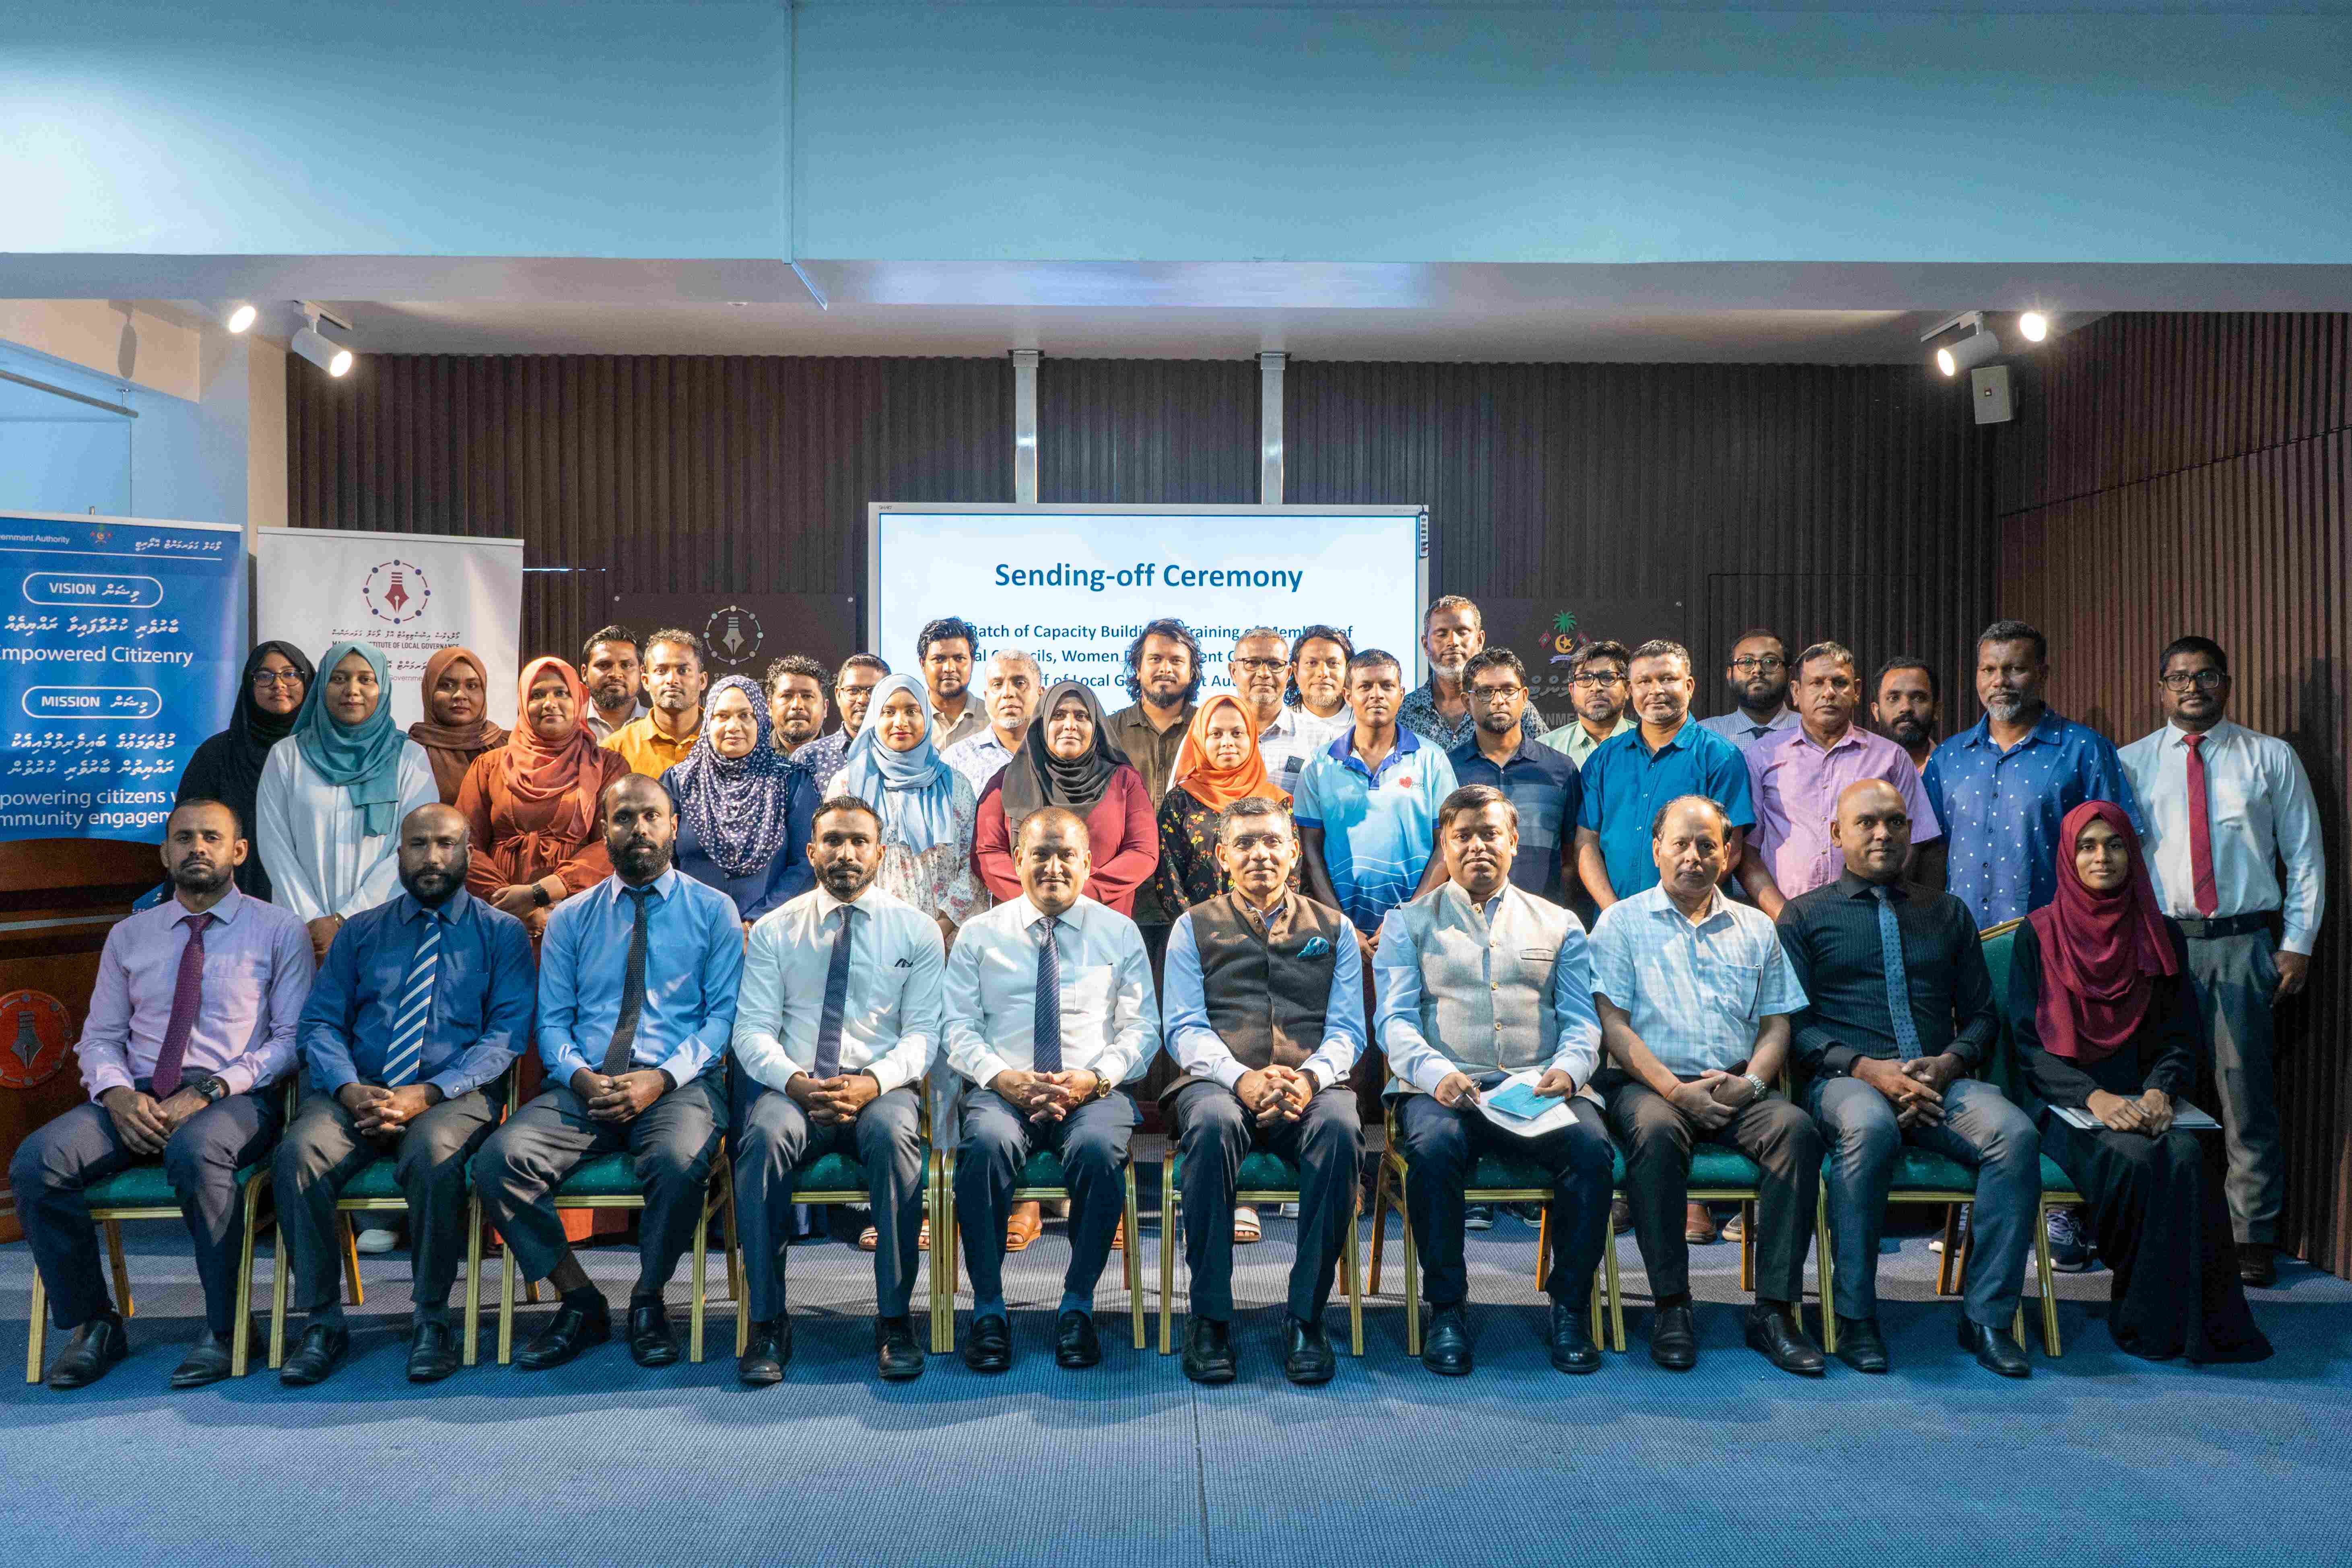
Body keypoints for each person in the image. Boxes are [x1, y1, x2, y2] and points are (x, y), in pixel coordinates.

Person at [13, 799, 311, 1390]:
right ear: (165, 853)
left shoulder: (280, 929)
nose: (197, 847)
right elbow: (101, 1037)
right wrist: (117, 1094)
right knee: (37, 1162)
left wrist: (210, 1089)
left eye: (212, 837)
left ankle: (228, 1327)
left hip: (234, 1095)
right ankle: (95, 1324)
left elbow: (291, 1041)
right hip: (137, 1094)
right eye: (184, 838)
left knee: (196, 1152)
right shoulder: (129, 935)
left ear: (238, 852)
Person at [469, 775, 741, 1371]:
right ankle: (579, 1299)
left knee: (679, 1162)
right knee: (498, 1161)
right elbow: (552, 1022)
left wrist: (660, 1079)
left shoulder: (713, 910)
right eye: (624, 818)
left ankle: (649, 1298)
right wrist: (580, 1077)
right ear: (604, 830)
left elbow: (722, 1019)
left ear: (673, 826)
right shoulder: (571, 917)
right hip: (585, 1086)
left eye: (651, 817)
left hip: (678, 1086)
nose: (638, 828)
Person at [1777, 780, 2037, 1378]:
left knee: (2014, 1135)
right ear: (1836, 833)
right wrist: (1867, 1070)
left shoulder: (1946, 912)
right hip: (1846, 1081)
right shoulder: (1805, 915)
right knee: (1869, 1126)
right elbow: (1793, 1026)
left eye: (1895, 822)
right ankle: (1854, 1316)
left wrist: (1947, 1064)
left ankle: (1988, 1318)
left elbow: (1981, 1016)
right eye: (1866, 823)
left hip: (1941, 1079)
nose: (1883, 834)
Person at [273, 804, 534, 1386]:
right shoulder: (361, 932)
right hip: (357, 1091)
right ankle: (321, 1322)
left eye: (445, 844)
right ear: (399, 855)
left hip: (453, 1094)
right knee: (298, 1154)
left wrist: (430, 1092)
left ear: (468, 853)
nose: (432, 857)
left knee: (433, 1154)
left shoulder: (501, 934)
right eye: (419, 845)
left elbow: (505, 1035)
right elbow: (319, 1023)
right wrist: (348, 1087)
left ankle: (432, 1318)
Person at [2004, 802, 2272, 1364]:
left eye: (2114, 845)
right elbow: (2027, 1047)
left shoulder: (2160, 932)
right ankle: (2144, 1319)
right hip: (2063, 1102)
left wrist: (2158, 1091)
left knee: (2186, 1157)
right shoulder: (2039, 933)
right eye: (2087, 846)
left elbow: (2179, 1035)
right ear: (2068, 856)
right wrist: (2094, 1098)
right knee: (2135, 1161)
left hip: (2144, 1097)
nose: (2101, 857)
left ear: (2132, 853)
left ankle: (2193, 1324)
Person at [1376, 785, 1615, 1378]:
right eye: (1463, 836)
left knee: (1591, 1148)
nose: (1477, 846)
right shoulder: (1408, 923)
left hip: (1539, 1087)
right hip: (1445, 1089)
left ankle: (1570, 1306)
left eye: (1490, 834)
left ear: (1513, 842)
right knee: (1433, 1149)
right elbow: (1394, 1022)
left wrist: (1570, 1069)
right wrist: (1435, 1073)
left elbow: (1582, 1021)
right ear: (1445, 846)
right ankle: (1447, 1308)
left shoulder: (1560, 923)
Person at [1588, 795, 1824, 1374]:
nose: (1692, 856)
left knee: (1796, 1131)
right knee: (1655, 1133)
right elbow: (1613, 1025)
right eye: (1680, 844)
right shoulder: (1621, 922)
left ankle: (1774, 1311)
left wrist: (1753, 1083)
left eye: (1706, 845)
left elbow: (1776, 1024)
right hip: (1649, 1086)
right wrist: (1674, 1091)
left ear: (1727, 853)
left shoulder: (1755, 927)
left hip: (1736, 1086)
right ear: (1657, 851)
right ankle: (1672, 1304)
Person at [2118, 635, 2325, 1287]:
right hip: (2159, 944)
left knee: (2244, 1092)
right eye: (2179, 677)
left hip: (2242, 942)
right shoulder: (2129, 763)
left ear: (2226, 684)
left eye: (2206, 675)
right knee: (2152, 1087)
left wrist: (2298, 943)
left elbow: (2306, 856)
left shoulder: (2270, 757)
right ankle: (2155, 1227)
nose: (2192, 688)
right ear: (2160, 688)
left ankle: (2250, 1235)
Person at [730, 795, 945, 1385]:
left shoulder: (916, 930)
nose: (845, 853)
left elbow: (924, 1034)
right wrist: (797, 1083)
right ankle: (768, 1321)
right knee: (762, 1140)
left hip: (880, 1088)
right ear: (811, 851)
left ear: (880, 853)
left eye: (858, 842)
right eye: (833, 841)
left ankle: (895, 1319)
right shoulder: (775, 930)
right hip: (796, 1088)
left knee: (897, 1139)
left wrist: (873, 1082)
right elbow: (751, 1031)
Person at [944, 806, 1159, 1374]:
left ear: (1088, 863)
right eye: (1040, 854)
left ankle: (1078, 1304)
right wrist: (1001, 1077)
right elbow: (957, 1027)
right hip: (1003, 1088)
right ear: (1018, 860)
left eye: (1067, 855)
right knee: (984, 1146)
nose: (1053, 866)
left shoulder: (1119, 932)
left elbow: (1142, 1029)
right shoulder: (980, 934)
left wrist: (1096, 1077)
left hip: (1092, 1090)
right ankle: (988, 1308)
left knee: (1097, 1150)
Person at [1161, 796, 1363, 1386]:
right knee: (1212, 1124)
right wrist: (1241, 1078)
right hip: (1219, 1084)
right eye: (1245, 843)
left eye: (1272, 841)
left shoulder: (1334, 928)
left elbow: (1349, 1030)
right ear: (1222, 856)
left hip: (1311, 1083)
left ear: (1294, 852)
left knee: (1341, 1128)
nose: (1260, 854)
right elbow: (1183, 1026)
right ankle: (1210, 1317)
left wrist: (1309, 1078)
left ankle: (1307, 1315)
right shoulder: (1191, 926)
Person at [1923, 619, 2144, 933]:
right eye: (1988, 670)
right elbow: (1929, 853)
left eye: (2014, 669)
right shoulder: (1947, 757)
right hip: (1962, 938)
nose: (1999, 682)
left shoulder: (2086, 750)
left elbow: (2118, 851)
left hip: (2055, 938)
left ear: (2042, 674)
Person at [255, 640, 439, 963]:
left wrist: (347, 920)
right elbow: (275, 846)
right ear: (322, 687)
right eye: (339, 678)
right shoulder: (287, 755)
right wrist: (313, 922)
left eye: (365, 679)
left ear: (382, 689)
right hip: (302, 934)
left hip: (386, 926)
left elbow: (416, 846)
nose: (352, 690)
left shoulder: (410, 758)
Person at [1738, 641, 1941, 913]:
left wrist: (1879, 904)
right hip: (1782, 918)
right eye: (1816, 683)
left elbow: (1912, 843)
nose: (1829, 693)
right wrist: (1783, 916)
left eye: (1839, 683)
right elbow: (1747, 851)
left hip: (1870, 916)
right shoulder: (1762, 755)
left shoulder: (1891, 758)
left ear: (1856, 691)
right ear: (1796, 692)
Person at [456, 657, 633, 946]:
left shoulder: (608, 766)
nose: (550, 703)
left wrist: (544, 892)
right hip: (497, 916)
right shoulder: (489, 766)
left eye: (561, 693)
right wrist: (510, 903)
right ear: (522, 703)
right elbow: (464, 842)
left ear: (578, 700)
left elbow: (615, 842)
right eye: (537, 695)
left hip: (581, 910)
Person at [1574, 639, 1755, 910]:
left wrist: (1675, 911)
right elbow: (1586, 843)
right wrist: (1614, 912)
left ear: (1689, 686)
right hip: (1614, 920)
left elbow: (1732, 849)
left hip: (1690, 920)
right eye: (1644, 681)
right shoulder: (1604, 758)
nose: (1656, 690)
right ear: (1630, 690)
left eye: (1668, 679)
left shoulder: (1720, 757)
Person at [1295, 649, 1458, 946]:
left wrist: (1408, 917)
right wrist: (1341, 926)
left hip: (1416, 931)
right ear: (1348, 696)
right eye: (1365, 686)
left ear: (1401, 695)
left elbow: (1446, 848)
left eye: (1387, 686)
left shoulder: (1432, 759)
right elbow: (1311, 854)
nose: (1376, 695)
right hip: (1340, 934)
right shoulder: (1318, 764)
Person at [975, 680, 1158, 919]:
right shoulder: (1006, 782)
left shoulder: (1124, 781)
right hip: (1023, 924)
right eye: (1059, 715)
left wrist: (1079, 895)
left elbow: (1143, 851)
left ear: (1096, 726)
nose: (1070, 725)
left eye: (1082, 716)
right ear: (1042, 723)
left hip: (1103, 921)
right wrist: (1037, 897)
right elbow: (987, 853)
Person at [834, 671, 985, 942]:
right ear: (875, 718)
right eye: (888, 712)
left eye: (912, 711)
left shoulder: (955, 784)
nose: (900, 722)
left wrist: (941, 926)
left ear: (926, 718)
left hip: (944, 939)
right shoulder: (848, 785)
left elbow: (972, 861)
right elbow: (836, 860)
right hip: (869, 934)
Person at [660, 674, 819, 927]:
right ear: (708, 722)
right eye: (722, 716)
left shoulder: (791, 781)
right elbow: (662, 860)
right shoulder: (679, 782)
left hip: (770, 932)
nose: (733, 726)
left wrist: (757, 922)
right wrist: (692, 919)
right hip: (689, 927)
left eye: (745, 716)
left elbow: (804, 864)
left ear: (761, 722)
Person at [176, 641, 314, 901]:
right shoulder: (217, 754)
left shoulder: (329, 752)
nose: (278, 684)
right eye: (264, 676)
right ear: (249, 686)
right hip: (237, 895)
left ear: (308, 682)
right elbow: (190, 832)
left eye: (290, 674)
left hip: (317, 894)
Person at [1446, 647, 1581, 905]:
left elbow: (1571, 858)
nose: (1499, 700)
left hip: (1542, 917)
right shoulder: (1448, 769)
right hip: (1464, 917)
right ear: (1466, 702)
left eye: (1509, 690)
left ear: (1525, 697)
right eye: (1486, 692)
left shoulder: (1561, 770)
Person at [1151, 692, 1295, 916]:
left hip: (1270, 928)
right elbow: (1168, 878)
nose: (1227, 742)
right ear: (1201, 739)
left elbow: (1292, 873)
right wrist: (1194, 928)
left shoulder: (1276, 803)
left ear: (1252, 737)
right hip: (1199, 929)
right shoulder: (1180, 801)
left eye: (1237, 733)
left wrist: (1274, 924)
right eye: (1216, 734)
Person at [1104, 617, 1202, 802]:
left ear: (1192, 673)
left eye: (1176, 661)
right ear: (1138, 669)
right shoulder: (1109, 732)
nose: (1165, 669)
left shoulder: (1209, 728)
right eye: (1156, 659)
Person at [1258, 624, 1354, 799]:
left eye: (1333, 663)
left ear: (1348, 671)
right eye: (1312, 663)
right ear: (1294, 672)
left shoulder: (1366, 725)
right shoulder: (1276, 726)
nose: (1323, 673)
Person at [406, 646, 508, 806]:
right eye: (447, 685)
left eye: (472, 686)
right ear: (429, 690)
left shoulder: (510, 746)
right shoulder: (409, 752)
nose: (460, 695)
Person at [603, 627, 709, 778]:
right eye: (661, 671)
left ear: (702, 681)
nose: (672, 680)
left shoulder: (727, 741)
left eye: (683, 671)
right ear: (646, 681)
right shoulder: (615, 749)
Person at [942, 647, 1043, 793]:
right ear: (986, 696)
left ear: (1041, 695)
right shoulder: (956, 759)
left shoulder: (1058, 752)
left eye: (1020, 683)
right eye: (997, 685)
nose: (1008, 693)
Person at [1397, 594, 1486, 749]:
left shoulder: (1507, 706)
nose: (1453, 642)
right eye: (1442, 634)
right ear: (1426, 646)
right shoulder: (1401, 714)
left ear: (1480, 641)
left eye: (1462, 632)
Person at [792, 652, 889, 793]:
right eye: (853, 691)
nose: (862, 700)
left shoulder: (908, 757)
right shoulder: (808, 758)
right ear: (838, 695)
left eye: (873, 691)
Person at [1697, 628, 1800, 753]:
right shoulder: (1703, 737)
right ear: (1730, 674)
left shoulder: (1813, 732)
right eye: (1747, 662)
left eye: (1770, 662)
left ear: (1789, 674)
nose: (1757, 670)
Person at [1537, 638, 1633, 765]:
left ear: (1627, 689)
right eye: (1585, 678)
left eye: (1608, 678)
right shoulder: (1545, 750)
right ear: (1572, 691)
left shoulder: (1651, 744)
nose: (1596, 688)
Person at [917, 615, 985, 751]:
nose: (949, 668)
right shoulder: (907, 721)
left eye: (959, 658)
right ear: (923, 664)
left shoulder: (993, 721)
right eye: (939, 659)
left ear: (973, 662)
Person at [1870, 654, 1942, 774]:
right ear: (1876, 711)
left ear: (1936, 710)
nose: (1906, 708)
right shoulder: (1857, 771)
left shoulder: (1953, 769)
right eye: (1893, 698)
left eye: (1919, 698)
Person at [579, 625, 645, 742]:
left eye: (626, 665)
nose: (615, 674)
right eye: (604, 665)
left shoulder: (661, 725)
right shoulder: (568, 725)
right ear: (584, 673)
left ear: (642, 672)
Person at [764, 653, 832, 758]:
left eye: (807, 696)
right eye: (787, 696)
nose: (797, 705)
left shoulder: (847, 761)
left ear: (825, 708)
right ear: (770, 707)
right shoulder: (751, 760)